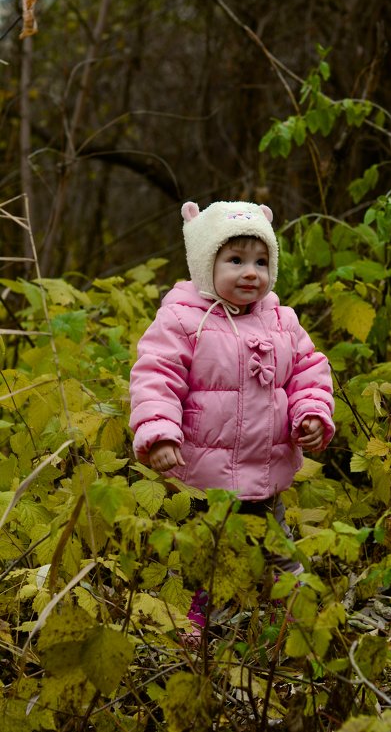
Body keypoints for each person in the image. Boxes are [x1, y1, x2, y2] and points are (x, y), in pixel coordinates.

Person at [129, 200, 335, 633]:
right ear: (206, 265)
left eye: (261, 261)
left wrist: (311, 413)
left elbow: (307, 371)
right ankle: (197, 628)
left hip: (265, 475)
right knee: (208, 556)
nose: (250, 272)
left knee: (280, 552)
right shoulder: (184, 319)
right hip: (207, 477)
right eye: (236, 260)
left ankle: (299, 628)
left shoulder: (281, 320)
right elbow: (156, 377)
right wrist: (160, 434)